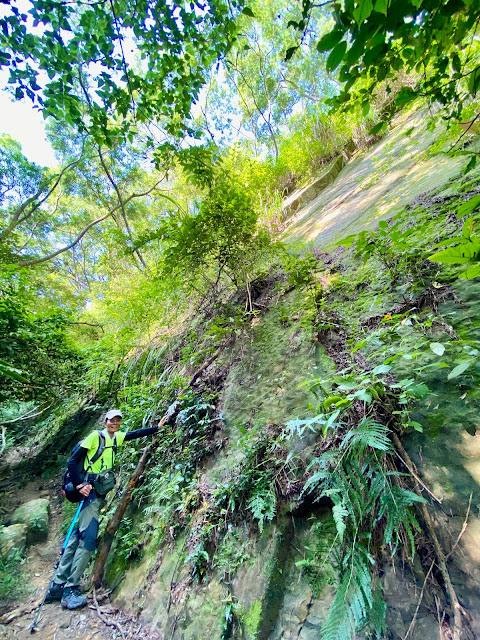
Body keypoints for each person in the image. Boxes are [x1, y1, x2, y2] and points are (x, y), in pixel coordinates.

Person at [45, 409, 159, 610]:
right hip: (88, 494)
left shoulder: (116, 438)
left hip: (96, 494)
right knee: (88, 540)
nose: (115, 423)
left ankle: (57, 584)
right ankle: (70, 588)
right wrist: (80, 485)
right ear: (105, 422)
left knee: (75, 537)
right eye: (111, 420)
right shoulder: (95, 437)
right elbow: (72, 462)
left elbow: (135, 434)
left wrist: (157, 428)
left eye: (118, 420)